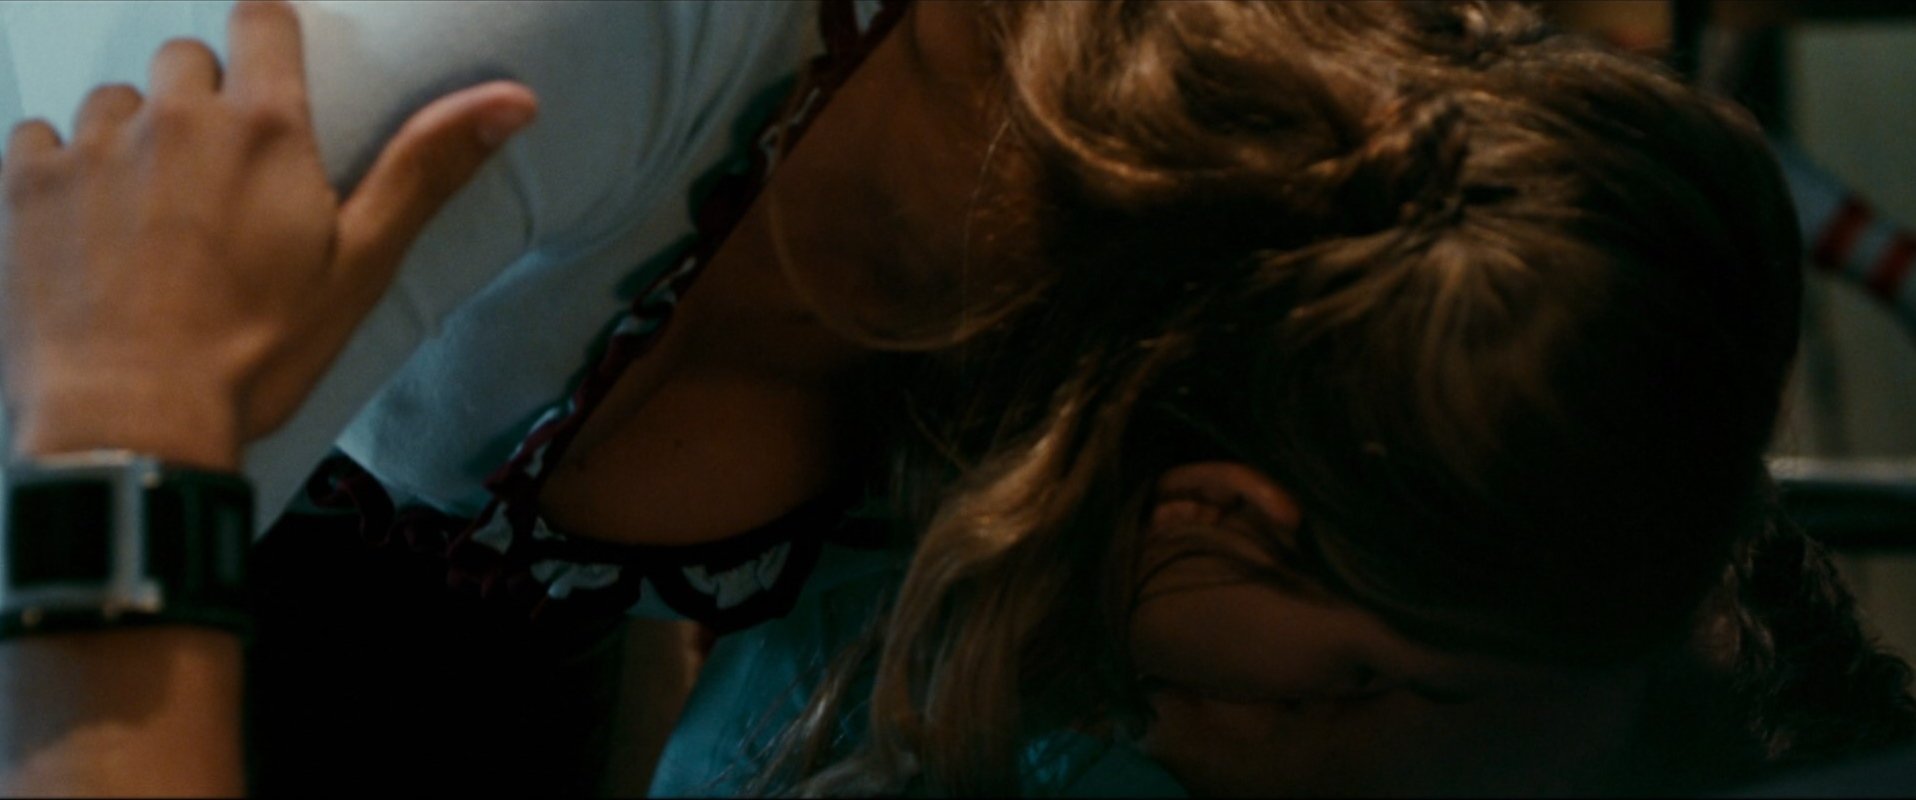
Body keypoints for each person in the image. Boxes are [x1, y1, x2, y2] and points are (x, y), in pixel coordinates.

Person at [2, 1, 1913, 797]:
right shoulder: (526, 52)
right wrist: (111, 441)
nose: (1268, 773)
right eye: (1346, 696)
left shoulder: (1080, 354)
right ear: (1233, 515)